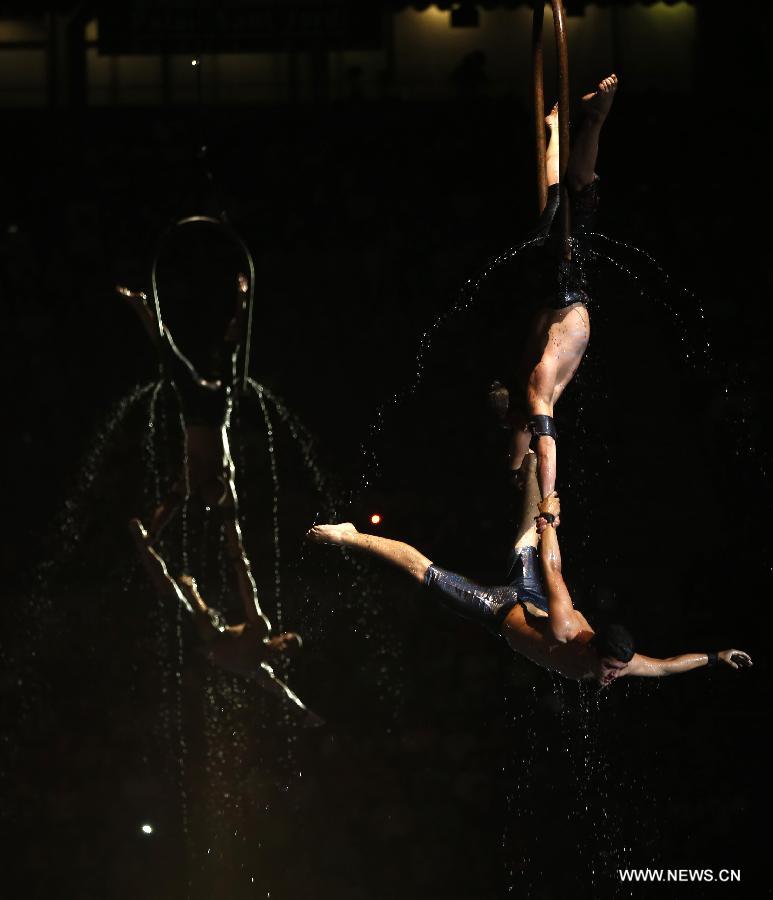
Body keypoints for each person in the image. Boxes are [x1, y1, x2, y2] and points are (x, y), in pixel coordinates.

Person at [306, 453, 752, 687]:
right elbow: (554, 571)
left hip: (531, 598)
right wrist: (550, 522)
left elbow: (668, 668)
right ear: (594, 649)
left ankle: (533, 458)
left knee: (523, 532)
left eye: (619, 669)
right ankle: (351, 534)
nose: (615, 676)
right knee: (426, 572)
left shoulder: (622, 663)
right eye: (612, 669)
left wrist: (716, 656)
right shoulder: (565, 629)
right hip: (502, 609)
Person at [116, 271, 272, 636]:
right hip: (216, 411)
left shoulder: (190, 481)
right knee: (226, 348)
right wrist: (253, 603)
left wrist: (149, 535)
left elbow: (167, 509)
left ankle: (145, 308)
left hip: (198, 411)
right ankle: (241, 298)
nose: (207, 494)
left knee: (171, 354)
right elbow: (238, 552)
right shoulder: (225, 485)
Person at [490, 74, 619, 501]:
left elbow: (527, 440)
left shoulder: (529, 376)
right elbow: (540, 439)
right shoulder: (536, 385)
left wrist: (538, 493)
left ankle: (575, 127)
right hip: (568, 304)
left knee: (556, 200)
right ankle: (596, 120)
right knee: (576, 192)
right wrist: (546, 499)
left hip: (557, 299)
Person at [129, 518, 320, 723]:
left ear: (286, 659)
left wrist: (304, 713)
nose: (282, 648)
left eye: (287, 650)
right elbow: (249, 595)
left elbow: (282, 692)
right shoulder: (259, 630)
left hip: (193, 653)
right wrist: (239, 565)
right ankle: (143, 545)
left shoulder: (256, 669)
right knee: (170, 587)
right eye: (286, 642)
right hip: (199, 630)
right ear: (281, 637)